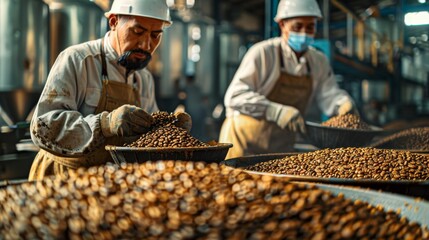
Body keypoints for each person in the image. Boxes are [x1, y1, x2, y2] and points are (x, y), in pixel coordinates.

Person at [29, 0, 191, 181]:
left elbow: (148, 139)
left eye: (155, 36)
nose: (146, 45)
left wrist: (170, 128)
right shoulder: (79, 60)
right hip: (62, 177)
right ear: (113, 22)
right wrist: (105, 124)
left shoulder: (143, 79)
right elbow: (43, 127)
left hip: (110, 181)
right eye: (137, 32)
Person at [219, 0, 357, 159]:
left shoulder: (318, 61)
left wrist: (343, 104)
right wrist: (274, 111)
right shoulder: (263, 53)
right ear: (282, 25)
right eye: (297, 27)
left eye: (310, 27)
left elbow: (329, 94)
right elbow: (234, 96)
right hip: (243, 144)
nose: (304, 33)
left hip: (280, 147)